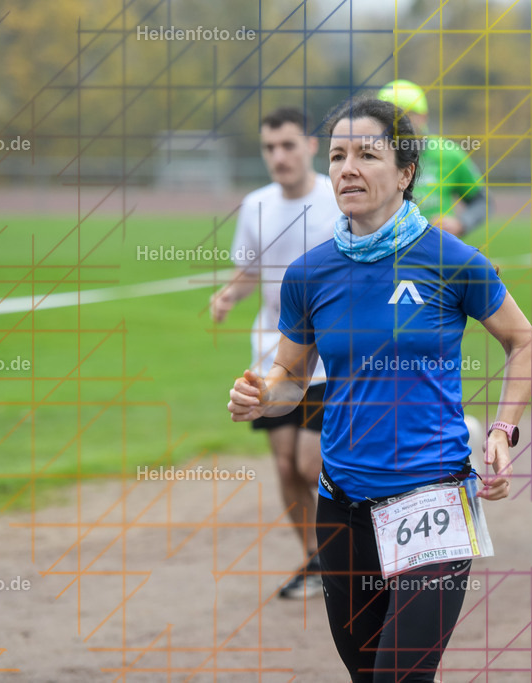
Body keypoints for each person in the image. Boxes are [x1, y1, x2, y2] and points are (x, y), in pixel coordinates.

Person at [227, 97, 532, 682]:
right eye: (338, 155)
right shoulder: (309, 274)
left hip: (431, 499)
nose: (347, 168)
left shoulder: (452, 260)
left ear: (404, 173)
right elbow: (291, 379)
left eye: (367, 155)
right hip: (342, 506)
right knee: (367, 674)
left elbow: (522, 341)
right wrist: (261, 394)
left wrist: (502, 430)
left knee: (401, 677)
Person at [209, 107, 340, 599]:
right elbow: (250, 269)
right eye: (269, 148)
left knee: (310, 464)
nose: (278, 156)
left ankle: (353, 553)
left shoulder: (337, 197)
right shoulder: (256, 205)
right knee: (285, 466)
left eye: (288, 145)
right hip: (270, 354)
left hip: (326, 357)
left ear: (310, 146)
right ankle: (317, 560)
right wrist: (229, 294)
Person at [376, 79, 490, 237]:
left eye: (407, 115)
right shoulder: (366, 157)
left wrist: (461, 223)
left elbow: (482, 201)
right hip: (385, 248)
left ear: (423, 117)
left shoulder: (448, 153)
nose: (398, 124)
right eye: (390, 117)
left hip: (437, 248)